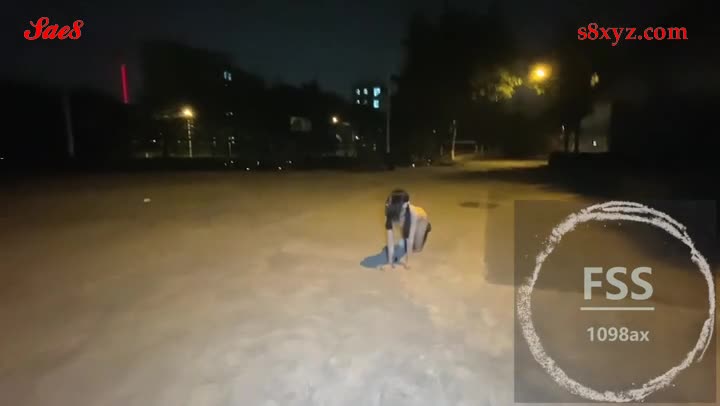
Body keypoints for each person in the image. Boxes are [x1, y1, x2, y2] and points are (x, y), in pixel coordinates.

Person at [383, 189, 431, 269]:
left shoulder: (413, 213)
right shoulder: (389, 210)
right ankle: (405, 238)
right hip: (404, 218)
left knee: (416, 249)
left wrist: (408, 262)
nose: (409, 203)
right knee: (405, 231)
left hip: (421, 219)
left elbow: (410, 239)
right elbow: (390, 239)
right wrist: (390, 261)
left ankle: (427, 228)